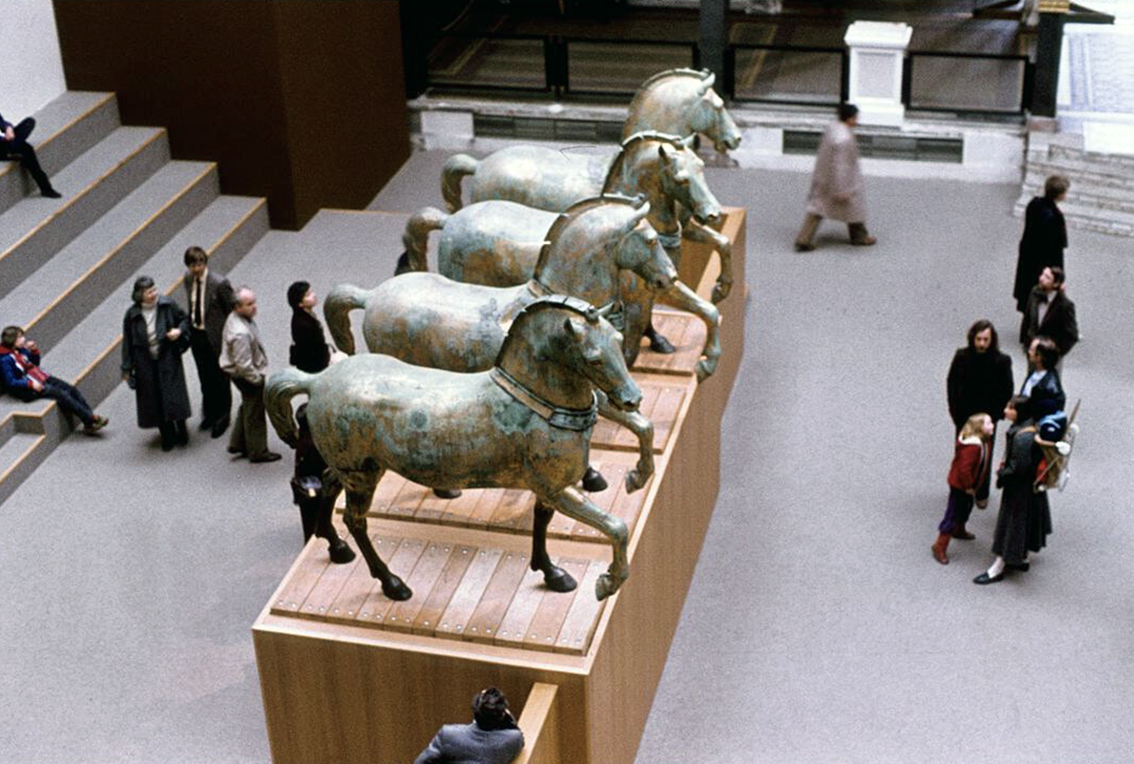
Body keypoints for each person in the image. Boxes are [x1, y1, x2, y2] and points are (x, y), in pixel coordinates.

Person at [973, 395, 1053, 585]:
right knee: (1023, 522)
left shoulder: (1022, 438)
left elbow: (1018, 467)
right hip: (1029, 487)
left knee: (1010, 526)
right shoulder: (1030, 429)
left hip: (1019, 488)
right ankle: (1021, 557)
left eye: (1011, 408)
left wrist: (1002, 474)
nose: (1006, 411)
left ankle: (998, 568)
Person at [946, 320, 1014, 508]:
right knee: (963, 455)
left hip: (986, 419)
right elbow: (952, 384)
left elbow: (1007, 389)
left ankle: (981, 492)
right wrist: (955, 413)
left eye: (985, 339)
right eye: (979, 339)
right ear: (972, 338)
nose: (982, 343)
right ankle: (960, 490)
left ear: (992, 340)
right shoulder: (962, 357)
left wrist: (996, 415)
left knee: (984, 457)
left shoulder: (1001, 361)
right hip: (965, 417)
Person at [121, 277, 193, 451]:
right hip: (145, 361)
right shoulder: (132, 315)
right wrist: (126, 368)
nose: (154, 294)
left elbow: (184, 319)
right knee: (154, 399)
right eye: (149, 292)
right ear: (140, 295)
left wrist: (178, 331)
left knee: (174, 395)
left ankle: (181, 429)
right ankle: (167, 434)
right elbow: (127, 342)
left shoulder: (167, 305)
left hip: (167, 356)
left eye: (154, 289)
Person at [794, 102, 875, 252]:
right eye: (855, 118)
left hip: (824, 176)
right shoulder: (844, 138)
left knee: (817, 208)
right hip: (841, 182)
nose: (857, 121)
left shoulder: (833, 128)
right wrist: (842, 189)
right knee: (854, 208)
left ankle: (804, 238)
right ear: (849, 118)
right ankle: (859, 237)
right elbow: (841, 166)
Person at [0, 326, 106, 433]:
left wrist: (34, 351)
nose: (23, 339)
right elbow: (11, 382)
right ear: (12, 340)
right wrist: (30, 384)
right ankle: (91, 419)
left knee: (71, 389)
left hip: (40, 376)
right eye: (19, 337)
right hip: (27, 388)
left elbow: (35, 363)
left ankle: (89, 420)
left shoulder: (20, 350)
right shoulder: (5, 360)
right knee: (61, 394)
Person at [219, 286, 281, 463]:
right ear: (237, 307)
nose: (254, 307)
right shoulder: (240, 334)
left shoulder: (235, 318)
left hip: (239, 372)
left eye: (254, 302)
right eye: (249, 304)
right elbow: (244, 365)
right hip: (247, 376)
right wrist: (257, 380)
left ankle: (238, 442)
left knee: (248, 405)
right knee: (255, 413)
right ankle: (258, 451)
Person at [290, 403, 354, 563]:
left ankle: (317, 546)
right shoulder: (314, 445)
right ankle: (329, 549)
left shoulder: (303, 438)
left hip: (308, 487)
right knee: (319, 520)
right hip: (314, 488)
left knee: (311, 522)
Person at [182, 246, 236, 438]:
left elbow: (232, 311)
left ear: (205, 263)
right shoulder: (188, 279)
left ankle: (223, 416)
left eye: (200, 264)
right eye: (192, 265)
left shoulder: (219, 283)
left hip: (216, 337)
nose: (197, 268)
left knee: (221, 377)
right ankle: (210, 412)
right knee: (204, 376)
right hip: (198, 335)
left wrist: (230, 339)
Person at [931, 412, 993, 565]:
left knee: (966, 506)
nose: (992, 426)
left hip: (970, 485)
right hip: (961, 486)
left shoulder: (983, 441)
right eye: (988, 423)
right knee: (953, 512)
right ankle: (940, 545)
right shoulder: (972, 447)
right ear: (979, 428)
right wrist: (968, 486)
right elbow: (964, 469)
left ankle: (959, 529)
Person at [414, 687, 524, 764]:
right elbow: (515, 731)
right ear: (503, 714)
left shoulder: (448, 734)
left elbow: (421, 762)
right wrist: (505, 714)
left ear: (474, 710)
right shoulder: (512, 740)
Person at [1013, 174, 1069, 314]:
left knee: (1028, 296)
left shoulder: (1034, 204)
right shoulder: (1056, 218)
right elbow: (1057, 250)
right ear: (1059, 195)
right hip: (1044, 265)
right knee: (1041, 301)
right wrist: (1059, 277)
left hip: (1028, 258)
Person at [0, 108, 61, 198]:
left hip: (6, 143)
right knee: (27, 149)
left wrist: (8, 128)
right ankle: (46, 188)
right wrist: (3, 139)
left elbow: (2, 122)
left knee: (29, 122)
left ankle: (12, 146)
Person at [1021, 266, 1078, 359]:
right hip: (1032, 352)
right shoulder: (1035, 292)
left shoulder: (1065, 306)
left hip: (1050, 357)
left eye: (1047, 277)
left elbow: (1072, 335)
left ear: (1056, 284)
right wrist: (1026, 343)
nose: (1041, 278)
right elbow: (1027, 319)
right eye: (1042, 274)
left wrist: (1057, 351)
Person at [286, 281, 331, 373]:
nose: (313, 295)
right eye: (308, 295)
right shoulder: (303, 324)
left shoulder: (307, 315)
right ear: (300, 304)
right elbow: (311, 350)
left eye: (312, 292)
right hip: (314, 366)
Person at [1018, 336, 1066, 422]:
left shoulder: (1049, 387)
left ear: (1040, 357)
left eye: (1032, 350)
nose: (1029, 352)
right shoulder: (1034, 372)